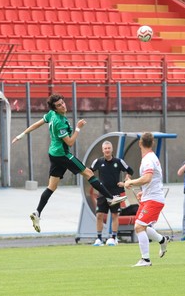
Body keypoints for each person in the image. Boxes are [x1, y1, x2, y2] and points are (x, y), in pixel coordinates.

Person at [11, 94, 127, 233]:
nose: (63, 106)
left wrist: (21, 135)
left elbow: (38, 123)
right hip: (63, 155)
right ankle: (110, 198)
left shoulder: (51, 114)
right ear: (55, 108)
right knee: (88, 173)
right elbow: (70, 142)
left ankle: (37, 212)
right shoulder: (59, 122)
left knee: (51, 187)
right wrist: (78, 128)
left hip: (53, 154)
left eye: (62, 103)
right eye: (59, 105)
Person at [124, 132, 169, 267]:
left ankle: (146, 260)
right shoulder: (151, 158)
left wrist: (131, 182)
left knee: (139, 226)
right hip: (149, 197)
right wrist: (143, 193)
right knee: (141, 226)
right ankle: (162, 240)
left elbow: (148, 178)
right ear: (153, 143)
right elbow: (151, 180)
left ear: (140, 143)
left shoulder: (148, 159)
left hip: (154, 199)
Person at [90, 140, 134, 246]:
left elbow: (130, 171)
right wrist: (95, 183)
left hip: (115, 193)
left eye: (109, 148)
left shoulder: (118, 162)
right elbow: (89, 172)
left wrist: (124, 182)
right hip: (102, 193)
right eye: (105, 148)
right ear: (102, 150)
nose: (107, 150)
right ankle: (99, 238)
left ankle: (114, 238)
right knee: (99, 215)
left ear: (112, 149)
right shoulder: (98, 162)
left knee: (114, 215)